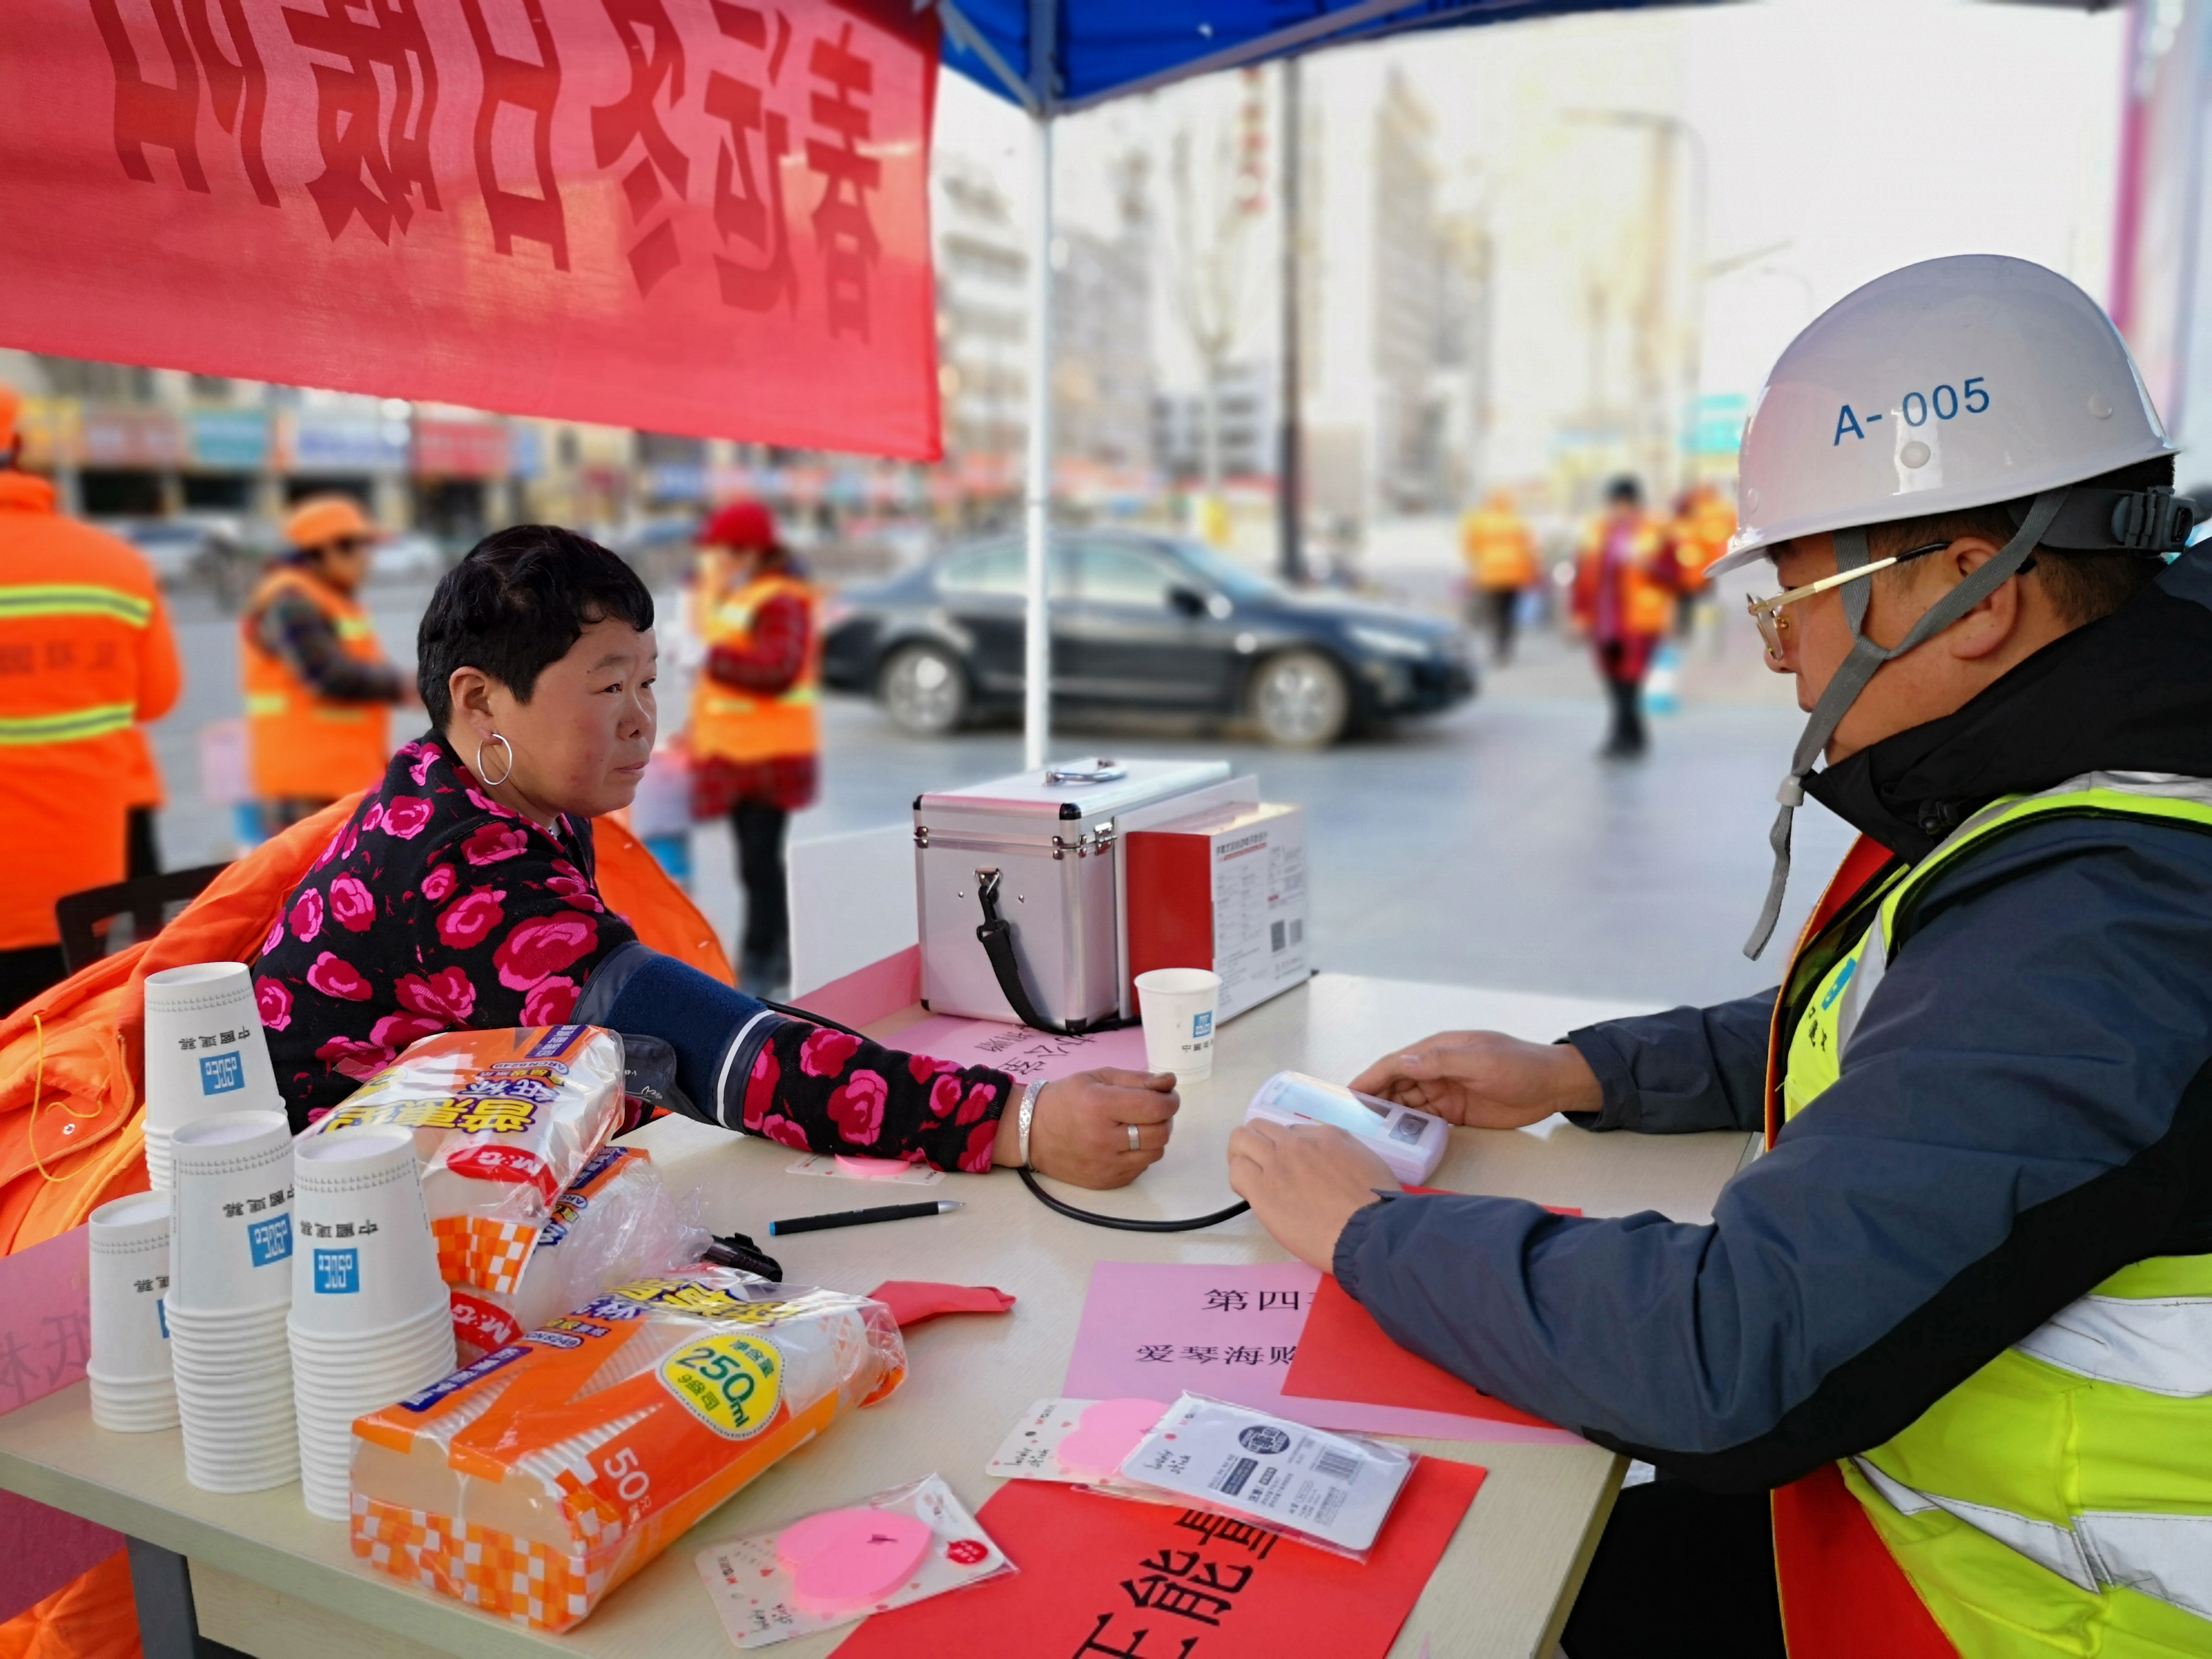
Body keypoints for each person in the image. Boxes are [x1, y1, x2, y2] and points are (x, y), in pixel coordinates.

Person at [1223, 255, 2212, 1657]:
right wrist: (1574, 1071)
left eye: (1793, 596)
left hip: (2027, 1611)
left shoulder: (2113, 906)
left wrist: (1363, 1230)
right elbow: (1920, 1039)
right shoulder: (2098, 783)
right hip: (1915, 1482)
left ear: (1966, 590)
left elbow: (1723, 1354)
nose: (1775, 655)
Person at [255, 525, 1175, 1191]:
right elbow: (721, 1053)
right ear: (480, 699)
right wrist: (1016, 1121)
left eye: (649, 682)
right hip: (338, 1220)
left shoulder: (477, 790)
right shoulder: (458, 868)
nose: (641, 719)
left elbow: (678, 1031)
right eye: (608, 685)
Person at [0, 384, 182, 1013]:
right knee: (55, 1063)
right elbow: (156, 698)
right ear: (18, 449)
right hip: (80, 879)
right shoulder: (114, 566)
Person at [686, 498, 816, 996]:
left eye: (726, 552)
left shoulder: (779, 599)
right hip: (741, 756)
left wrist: (711, 659)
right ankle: (771, 951)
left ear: (752, 551)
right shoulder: (744, 592)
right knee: (754, 863)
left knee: (760, 864)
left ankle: (766, 957)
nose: (718, 560)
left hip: (769, 758)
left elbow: (777, 670)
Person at [242, 494, 409, 836]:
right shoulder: (291, 600)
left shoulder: (329, 599)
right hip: (307, 789)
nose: (368, 562)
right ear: (330, 550)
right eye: (362, 550)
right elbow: (326, 675)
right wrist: (406, 686)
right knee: (309, 887)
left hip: (335, 782)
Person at [1571, 477, 1679, 759]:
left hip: (1638, 620)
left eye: (1626, 504)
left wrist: (1648, 565)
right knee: (1611, 679)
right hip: (1604, 620)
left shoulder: (1655, 532)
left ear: (1635, 504)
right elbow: (1581, 576)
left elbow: (1673, 574)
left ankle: (1621, 739)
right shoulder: (1596, 533)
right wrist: (1579, 613)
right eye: (1616, 504)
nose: (1621, 510)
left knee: (1630, 680)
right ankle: (1633, 738)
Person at [1458, 488, 1540, 664]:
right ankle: (1506, 646)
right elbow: (1531, 549)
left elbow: (1469, 548)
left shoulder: (1479, 521)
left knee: (1494, 614)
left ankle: (1497, 649)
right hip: (1515, 574)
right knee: (1509, 613)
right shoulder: (1518, 521)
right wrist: (1533, 573)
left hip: (1490, 575)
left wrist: (1473, 571)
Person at [1665, 481, 1736, 641]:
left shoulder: (1694, 523)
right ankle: (1693, 632)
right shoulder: (1692, 523)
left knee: (1694, 605)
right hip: (1692, 574)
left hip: (1695, 573)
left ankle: (1694, 632)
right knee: (1694, 604)